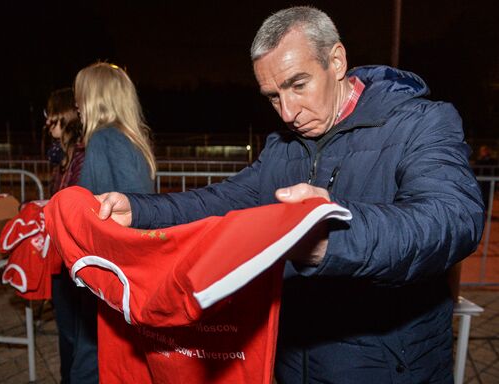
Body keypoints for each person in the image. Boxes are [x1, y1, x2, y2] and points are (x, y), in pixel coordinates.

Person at [95, 6, 485, 384]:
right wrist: (140, 209)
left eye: (298, 85)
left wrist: (330, 235)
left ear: (336, 61)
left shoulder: (420, 122)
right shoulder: (283, 145)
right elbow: (222, 201)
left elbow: (453, 218)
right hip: (293, 362)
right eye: (273, 96)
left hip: (386, 366)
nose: (287, 112)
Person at [73, 61, 157, 383]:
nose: (77, 106)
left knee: (90, 357)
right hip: (127, 266)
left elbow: (95, 207)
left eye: (81, 97)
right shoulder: (132, 139)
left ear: (95, 98)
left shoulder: (104, 139)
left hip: (105, 265)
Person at [44, 87, 86, 384]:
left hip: (75, 259)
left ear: (66, 117)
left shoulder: (83, 158)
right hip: (60, 259)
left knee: (74, 336)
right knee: (65, 334)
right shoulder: (62, 159)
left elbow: (74, 207)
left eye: (52, 117)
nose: (47, 124)